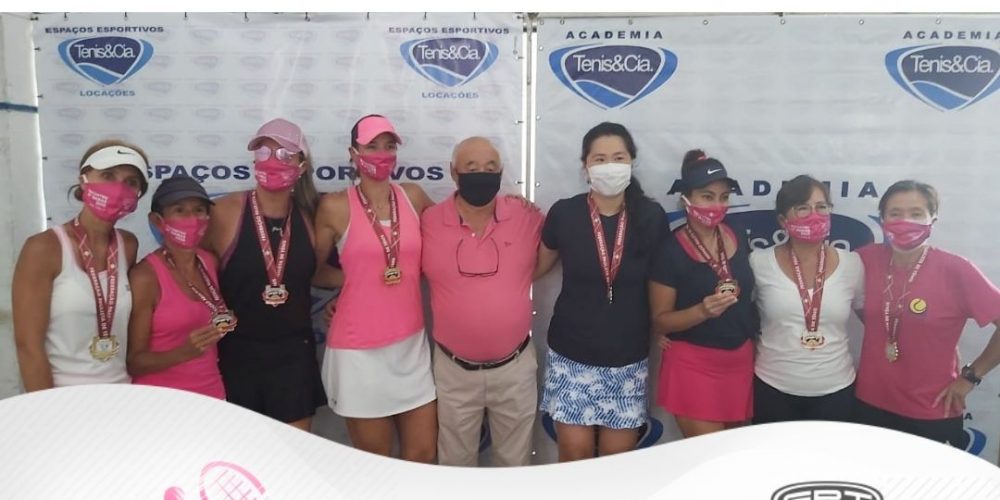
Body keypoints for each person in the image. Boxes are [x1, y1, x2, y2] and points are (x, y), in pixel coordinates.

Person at [534, 122, 666, 462]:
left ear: (632, 161)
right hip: (571, 354)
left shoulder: (651, 217)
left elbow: (662, 284)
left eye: (618, 158)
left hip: (627, 358)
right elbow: (535, 268)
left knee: (616, 463)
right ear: (586, 166)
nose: (610, 166)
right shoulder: (565, 213)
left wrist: (667, 325)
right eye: (600, 158)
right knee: (573, 456)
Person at [314, 114, 437, 462]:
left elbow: (450, 234)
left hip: (410, 346)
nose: (381, 154)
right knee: (375, 461)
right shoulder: (335, 206)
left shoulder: (413, 196)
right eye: (371, 146)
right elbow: (313, 271)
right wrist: (356, 281)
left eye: (389, 146)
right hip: (357, 354)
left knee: (423, 455)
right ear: (353, 153)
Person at [421, 137, 543, 466]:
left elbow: (549, 256)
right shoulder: (429, 222)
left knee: (514, 466)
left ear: (501, 173)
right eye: (471, 167)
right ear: (453, 172)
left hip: (515, 368)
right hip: (454, 371)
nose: (482, 174)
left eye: (491, 168)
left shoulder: (525, 216)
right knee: (455, 466)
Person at [854, 180, 1000, 446]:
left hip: (932, 410)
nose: (905, 221)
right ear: (882, 219)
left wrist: (971, 376)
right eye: (895, 213)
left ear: (932, 219)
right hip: (869, 404)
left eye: (916, 213)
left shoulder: (955, 269)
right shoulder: (864, 260)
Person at [201, 118, 325, 430]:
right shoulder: (224, 211)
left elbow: (318, 274)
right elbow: (193, 273)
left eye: (284, 154)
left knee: (293, 453)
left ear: (302, 165)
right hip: (236, 353)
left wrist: (358, 288)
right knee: (243, 452)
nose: (271, 161)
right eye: (263, 152)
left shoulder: (312, 216)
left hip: (293, 354)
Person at [13, 140, 149, 390]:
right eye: (108, 175)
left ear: (139, 194)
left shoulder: (128, 245)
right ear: (83, 180)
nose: (119, 187)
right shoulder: (43, 248)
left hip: (121, 394)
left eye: (131, 182)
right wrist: (47, 407)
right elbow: (28, 347)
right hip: (64, 395)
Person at [649, 149, 758, 438]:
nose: (717, 205)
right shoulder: (669, 251)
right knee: (708, 456)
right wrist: (702, 311)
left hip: (739, 361)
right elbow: (660, 321)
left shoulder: (737, 233)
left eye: (723, 197)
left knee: (731, 454)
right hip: (693, 364)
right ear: (686, 198)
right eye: (707, 197)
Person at [749, 175, 863, 423]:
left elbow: (873, 318)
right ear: (783, 220)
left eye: (822, 207)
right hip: (773, 387)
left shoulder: (852, 264)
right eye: (802, 208)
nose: (814, 215)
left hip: (836, 388)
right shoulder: (759, 262)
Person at [127, 175, 229, 398]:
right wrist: (183, 353)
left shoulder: (209, 262)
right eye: (179, 210)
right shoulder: (145, 277)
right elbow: (134, 362)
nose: (192, 219)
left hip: (211, 394)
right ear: (157, 221)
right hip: (161, 401)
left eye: (199, 210)